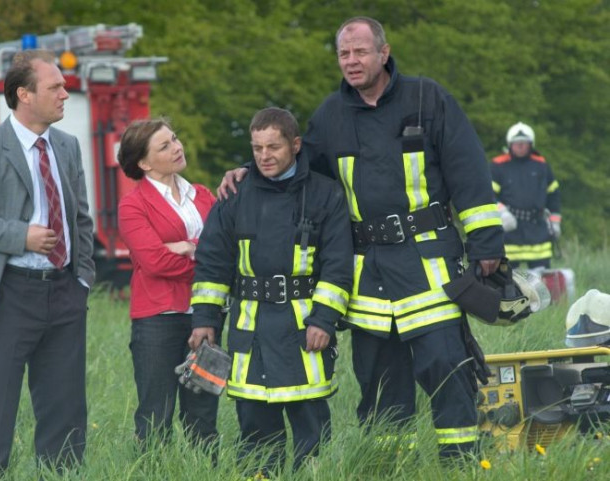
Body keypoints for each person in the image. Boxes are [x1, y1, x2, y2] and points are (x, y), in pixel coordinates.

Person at [218, 17, 505, 458]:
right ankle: (388, 464)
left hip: (429, 265)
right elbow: (298, 164)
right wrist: (248, 170)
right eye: (343, 54)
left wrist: (485, 242)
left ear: (384, 53)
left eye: (360, 52)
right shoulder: (331, 115)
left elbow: (468, 169)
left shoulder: (427, 99)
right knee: (379, 380)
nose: (351, 61)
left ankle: (460, 461)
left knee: (446, 364)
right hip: (368, 272)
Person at [0, 50, 95, 479]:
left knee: (66, 410)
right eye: (54, 87)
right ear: (24, 94)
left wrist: (82, 278)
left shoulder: (67, 145)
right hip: (8, 294)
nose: (65, 94)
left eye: (64, 86)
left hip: (65, 291)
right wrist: (20, 236)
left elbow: (81, 218)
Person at [191, 107, 352, 476]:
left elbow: (338, 263)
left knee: (312, 427)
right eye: (257, 148)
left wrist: (324, 320)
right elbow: (212, 263)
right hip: (251, 330)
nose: (264, 156)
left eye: (273, 147)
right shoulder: (235, 194)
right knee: (255, 430)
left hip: (304, 330)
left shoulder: (325, 194)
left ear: (295, 145)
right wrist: (205, 319)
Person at [116, 119, 219, 449]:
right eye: (165, 146)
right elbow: (155, 262)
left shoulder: (203, 196)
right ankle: (153, 470)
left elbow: (224, 249)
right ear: (144, 163)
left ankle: (205, 471)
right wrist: (206, 261)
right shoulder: (133, 205)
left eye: (174, 139)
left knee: (204, 413)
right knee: (155, 415)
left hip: (206, 315)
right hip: (157, 320)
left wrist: (188, 247)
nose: (177, 147)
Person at [492, 122, 561, 269]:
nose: (520, 146)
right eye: (517, 143)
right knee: (509, 278)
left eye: (524, 143)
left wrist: (555, 223)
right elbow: (489, 195)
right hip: (510, 231)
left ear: (531, 145)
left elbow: (553, 196)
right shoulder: (498, 166)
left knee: (541, 279)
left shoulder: (541, 165)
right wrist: (502, 213)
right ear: (510, 144)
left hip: (538, 232)